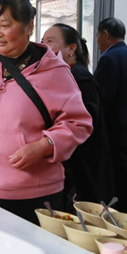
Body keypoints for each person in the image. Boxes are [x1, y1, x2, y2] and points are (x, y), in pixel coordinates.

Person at [0, 0, 93, 224]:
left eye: (6, 25)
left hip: (33, 194)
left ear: (29, 26)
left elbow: (78, 123)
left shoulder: (54, 72)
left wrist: (44, 146)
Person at [41, 24, 115, 204]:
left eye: (50, 41)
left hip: (83, 163)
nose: (43, 46)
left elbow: (85, 127)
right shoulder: (58, 76)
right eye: (42, 41)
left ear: (71, 48)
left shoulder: (80, 79)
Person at [94, 17, 127, 213]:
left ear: (105, 34)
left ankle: (125, 221)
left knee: (118, 185)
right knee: (125, 181)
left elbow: (101, 99)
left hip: (114, 133)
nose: (98, 41)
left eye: (98, 35)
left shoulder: (109, 58)